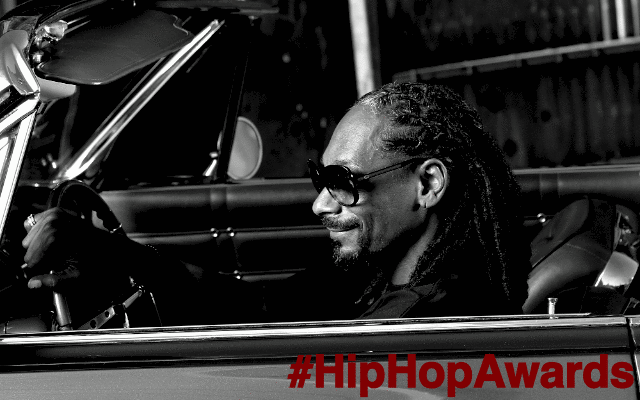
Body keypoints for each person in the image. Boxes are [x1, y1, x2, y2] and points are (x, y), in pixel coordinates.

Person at [20, 82, 529, 326]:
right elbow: (256, 305)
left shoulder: (413, 326)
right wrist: (113, 252)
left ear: (428, 184)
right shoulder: (373, 276)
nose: (320, 205)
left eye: (343, 182)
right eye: (320, 180)